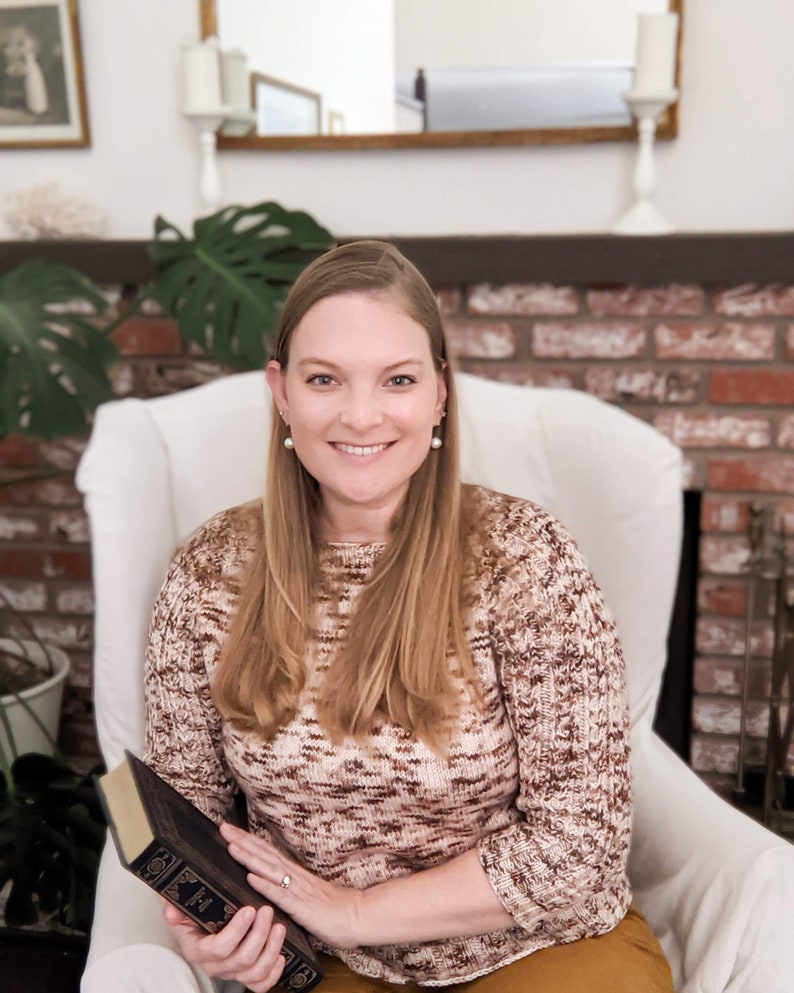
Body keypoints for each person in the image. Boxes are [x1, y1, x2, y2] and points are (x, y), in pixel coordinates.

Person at [144, 240, 675, 993]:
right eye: (325, 378)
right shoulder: (207, 572)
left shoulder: (525, 557)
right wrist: (213, 929)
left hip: (537, 946)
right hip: (331, 960)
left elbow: (580, 842)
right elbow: (186, 815)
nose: (361, 415)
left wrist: (359, 910)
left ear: (439, 394)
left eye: (397, 379)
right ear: (282, 391)